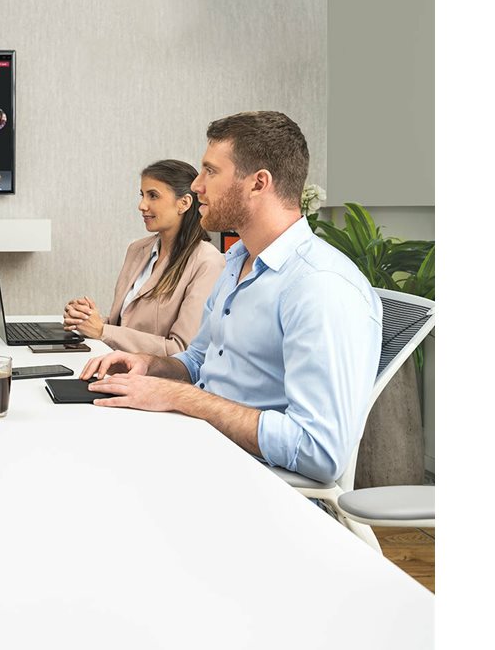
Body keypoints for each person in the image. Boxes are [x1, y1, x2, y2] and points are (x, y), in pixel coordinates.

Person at [80, 112, 382, 484]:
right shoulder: (237, 262)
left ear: (258, 183)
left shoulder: (320, 287)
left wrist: (180, 397)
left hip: (250, 483)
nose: (197, 185)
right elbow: (197, 361)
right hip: (199, 449)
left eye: (210, 171)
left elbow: (318, 451)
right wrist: (149, 365)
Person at [62, 160, 225, 354]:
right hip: (116, 363)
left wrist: (102, 331)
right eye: (142, 195)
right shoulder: (137, 249)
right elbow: (123, 326)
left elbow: (182, 349)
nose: (142, 205)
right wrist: (86, 319)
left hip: (154, 373)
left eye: (153, 196)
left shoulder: (207, 262)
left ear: (184, 203)